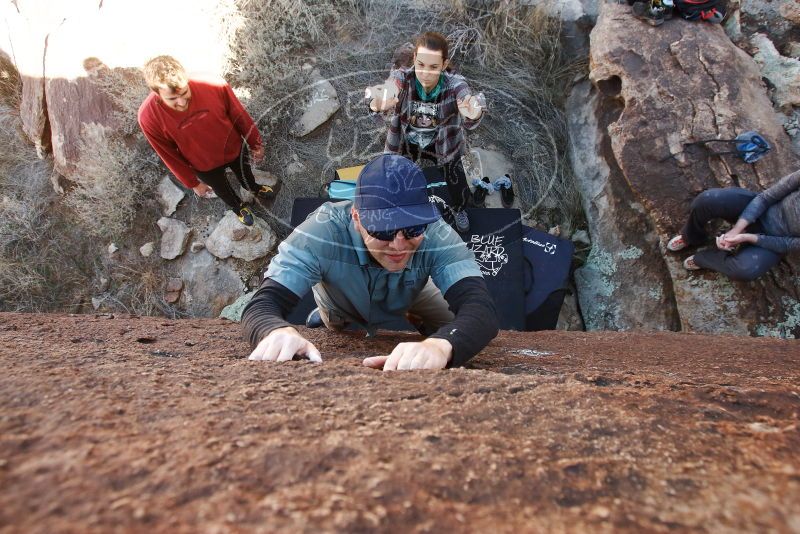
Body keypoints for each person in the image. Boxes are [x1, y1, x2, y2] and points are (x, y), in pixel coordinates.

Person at [242, 154, 499, 370]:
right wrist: (273, 330)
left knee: (454, 328)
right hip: (341, 299)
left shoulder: (437, 232)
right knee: (334, 323)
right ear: (356, 216)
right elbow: (263, 303)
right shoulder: (321, 231)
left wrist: (441, 345)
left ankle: (413, 312)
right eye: (383, 230)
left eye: (413, 228)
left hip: (412, 293)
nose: (399, 245)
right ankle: (325, 314)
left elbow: (480, 309)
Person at [365, 32, 485, 234]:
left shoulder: (454, 82)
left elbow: (465, 94)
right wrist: (377, 101)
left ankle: (460, 209)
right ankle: (398, 208)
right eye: (421, 65)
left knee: (456, 178)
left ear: (444, 65)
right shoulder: (403, 77)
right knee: (394, 175)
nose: (425, 73)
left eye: (433, 67)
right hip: (407, 139)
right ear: (414, 60)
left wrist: (473, 110)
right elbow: (391, 86)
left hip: (442, 141)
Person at [137, 55, 273, 227]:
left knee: (246, 173)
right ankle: (239, 208)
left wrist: (255, 143)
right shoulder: (148, 117)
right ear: (157, 93)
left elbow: (238, 113)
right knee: (223, 190)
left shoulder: (213, 84)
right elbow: (168, 155)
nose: (181, 102)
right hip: (203, 164)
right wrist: (192, 183)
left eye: (185, 92)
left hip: (234, 148)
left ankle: (254, 188)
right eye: (172, 99)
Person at [666, 169, 800, 281]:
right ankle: (691, 236)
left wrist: (747, 237)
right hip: (760, 209)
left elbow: (788, 244)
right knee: (707, 200)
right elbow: (766, 198)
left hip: (775, 240)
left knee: (745, 271)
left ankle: (704, 259)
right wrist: (737, 229)